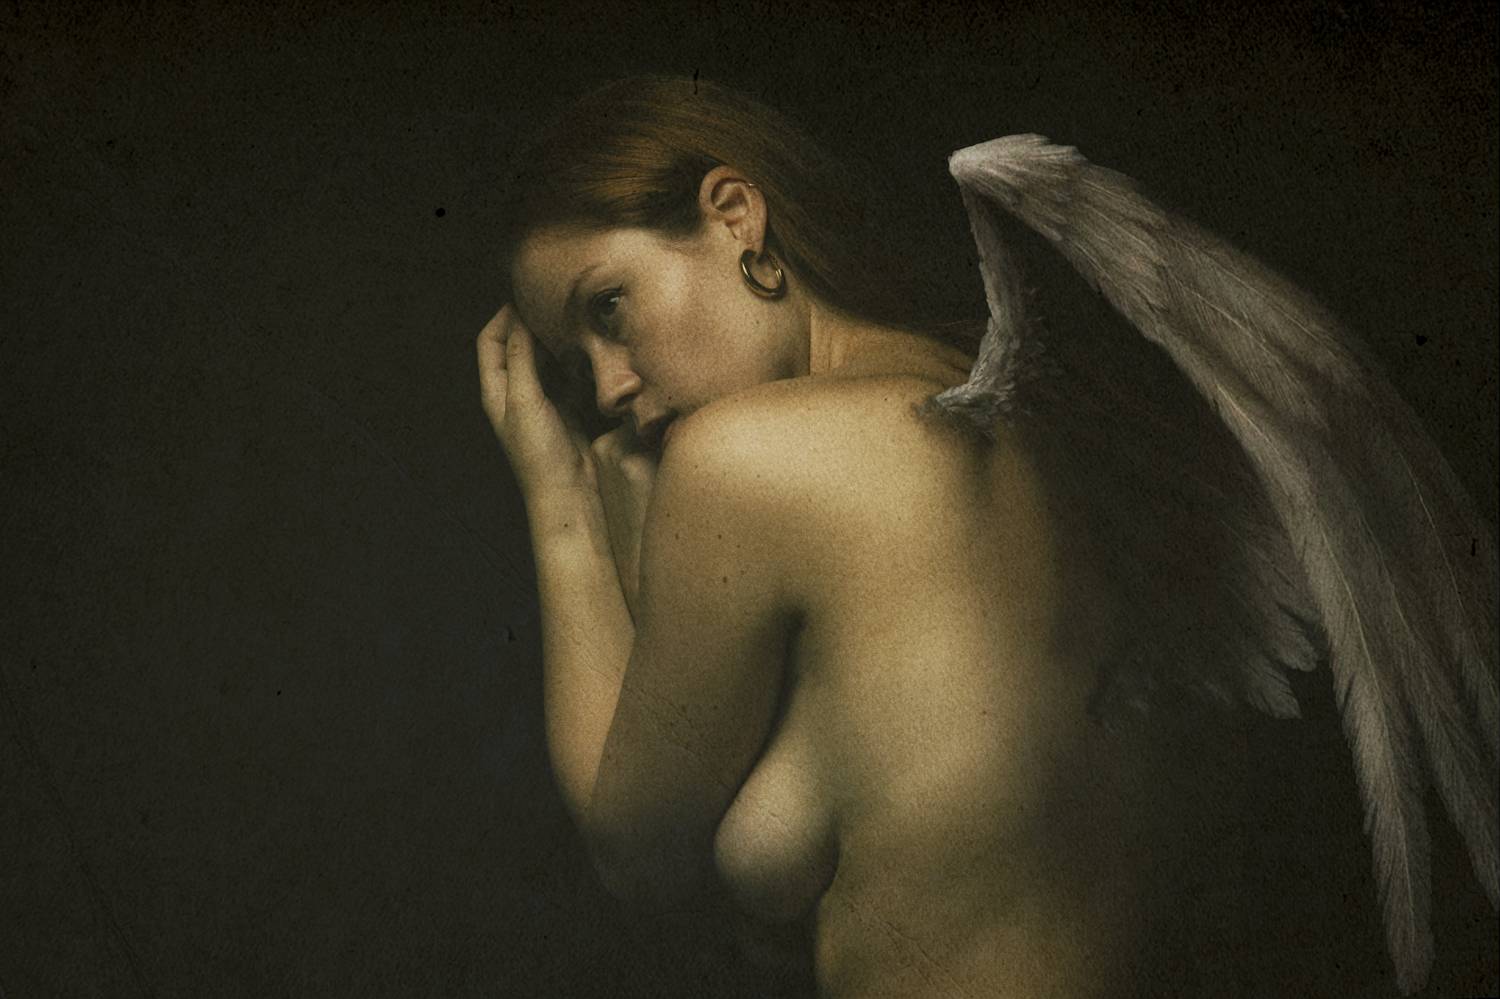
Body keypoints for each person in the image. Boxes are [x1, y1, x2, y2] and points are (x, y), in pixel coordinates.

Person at [478, 76, 1497, 997]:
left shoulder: (744, 458)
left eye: (609, 307)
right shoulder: (1026, 417)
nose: (607, 390)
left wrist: (558, 494)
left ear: (734, 215)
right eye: (576, 366)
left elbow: (635, 854)